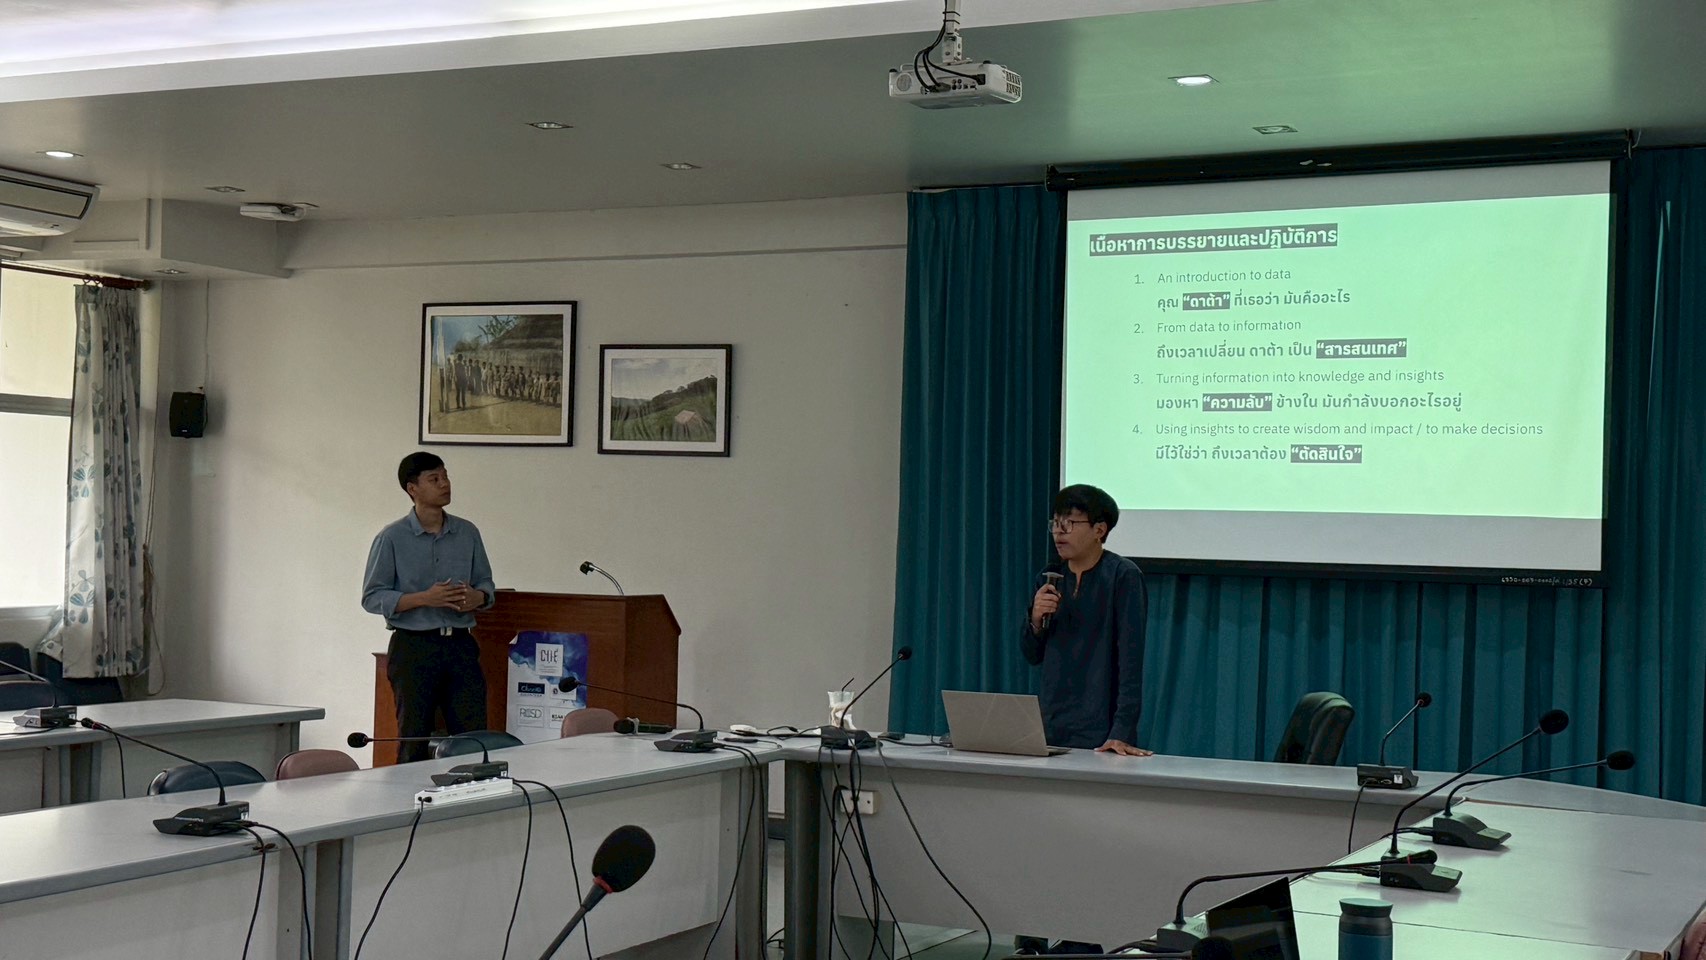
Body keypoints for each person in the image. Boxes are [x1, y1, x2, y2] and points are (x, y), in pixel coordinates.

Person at [1014, 483, 1149, 956]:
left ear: (1100, 529)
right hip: (1051, 723)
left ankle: (1084, 937)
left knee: (1090, 840)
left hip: (1099, 731)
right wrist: (1035, 618)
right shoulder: (1047, 579)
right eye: (1056, 522)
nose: (1059, 531)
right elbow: (1031, 653)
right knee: (1041, 835)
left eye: (1070, 523)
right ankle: (1031, 931)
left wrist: (1121, 731)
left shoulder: (1122, 577)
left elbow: (1131, 660)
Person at [361, 452, 497, 763]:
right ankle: (410, 793)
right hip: (414, 648)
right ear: (413, 489)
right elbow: (372, 597)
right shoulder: (392, 537)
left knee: (473, 738)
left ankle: (471, 792)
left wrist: (478, 597)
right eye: (434, 479)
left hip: (460, 646)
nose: (444, 484)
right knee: (414, 737)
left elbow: (486, 583)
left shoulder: (467, 532)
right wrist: (424, 598)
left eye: (445, 476)